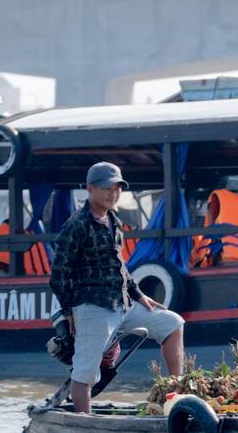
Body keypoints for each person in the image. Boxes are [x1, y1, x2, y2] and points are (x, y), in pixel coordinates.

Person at [51, 162, 185, 413]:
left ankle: (175, 399)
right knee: (85, 372)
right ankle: (84, 425)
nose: (113, 193)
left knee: (172, 324)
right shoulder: (77, 225)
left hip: (121, 303)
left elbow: (119, 266)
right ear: (90, 189)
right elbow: (59, 273)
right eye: (106, 188)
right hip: (92, 306)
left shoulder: (113, 219)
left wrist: (138, 294)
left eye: (117, 188)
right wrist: (69, 312)